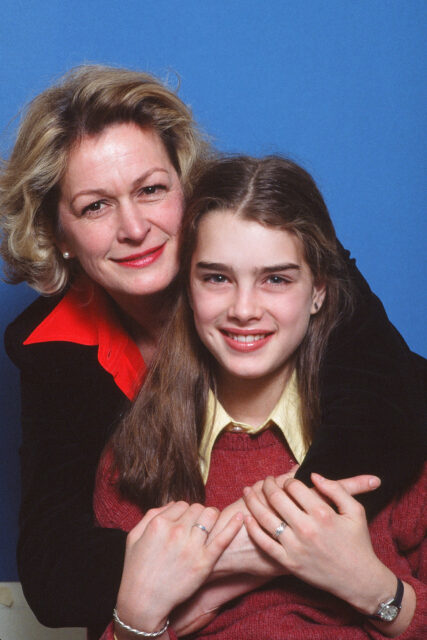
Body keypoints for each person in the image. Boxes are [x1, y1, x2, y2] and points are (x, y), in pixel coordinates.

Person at [0, 65, 424, 635]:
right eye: (95, 206)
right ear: (60, 235)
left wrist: (251, 561)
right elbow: (55, 567)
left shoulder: (273, 254)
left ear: (188, 188)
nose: (134, 227)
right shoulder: (55, 353)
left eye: (151, 190)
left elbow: (395, 405)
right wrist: (158, 598)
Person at [94, 155, 426, 640]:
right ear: (187, 286)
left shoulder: (394, 441)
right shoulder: (135, 457)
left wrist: (373, 587)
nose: (244, 309)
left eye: (276, 279)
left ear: (319, 292)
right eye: (217, 278)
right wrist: (137, 621)